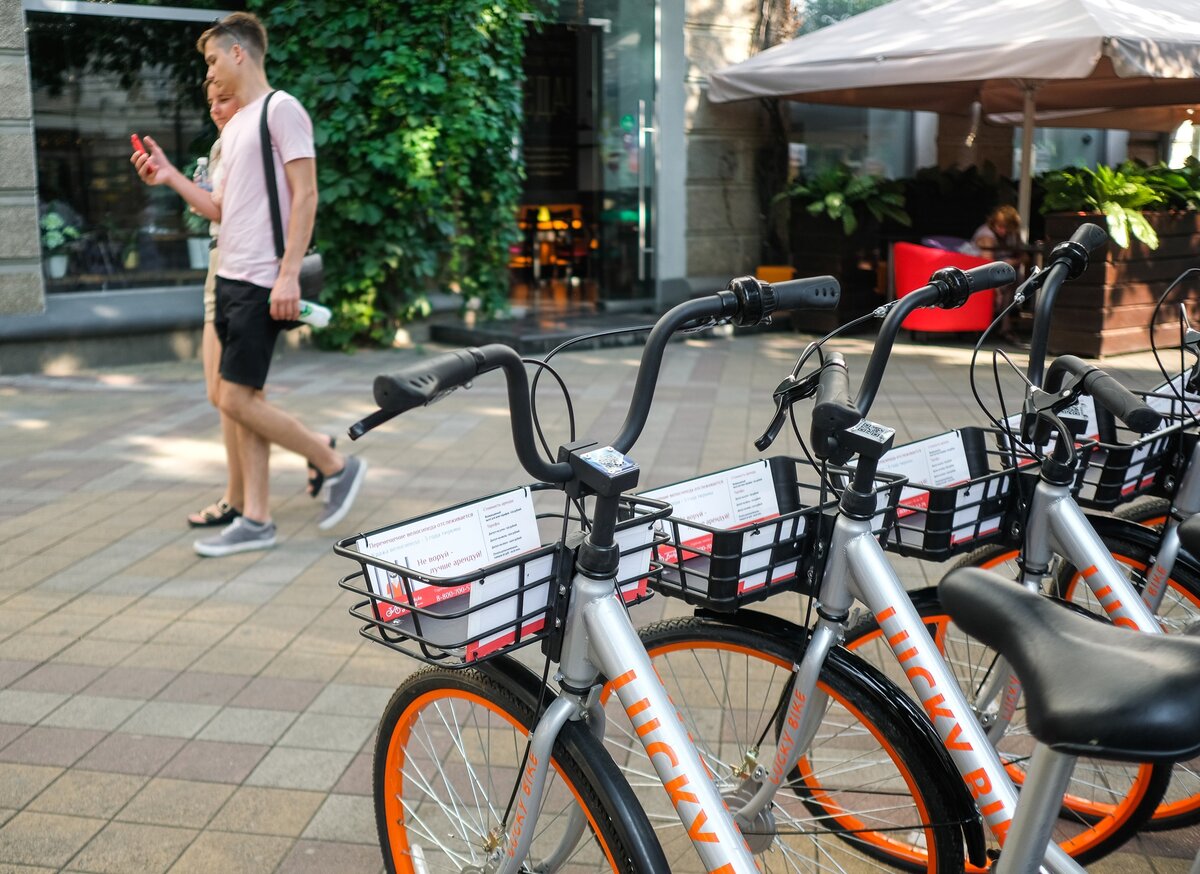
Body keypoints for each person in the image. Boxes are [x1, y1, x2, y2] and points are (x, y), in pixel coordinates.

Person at [132, 11, 366, 556]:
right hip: (231, 277)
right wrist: (168, 176)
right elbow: (218, 207)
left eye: (213, 58)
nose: (209, 70)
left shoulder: (281, 110)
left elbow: (306, 195)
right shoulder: (235, 127)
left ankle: (335, 463)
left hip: (263, 280)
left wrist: (287, 274)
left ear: (239, 53)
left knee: (235, 398)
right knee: (242, 397)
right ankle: (257, 519)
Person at [183, 80, 244, 530]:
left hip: (236, 267)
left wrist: (173, 179)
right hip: (219, 262)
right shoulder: (224, 144)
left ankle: (237, 498)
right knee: (223, 395)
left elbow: (223, 209)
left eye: (225, 98)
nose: (217, 109)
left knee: (233, 396)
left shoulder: (243, 141)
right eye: (211, 103)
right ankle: (317, 450)